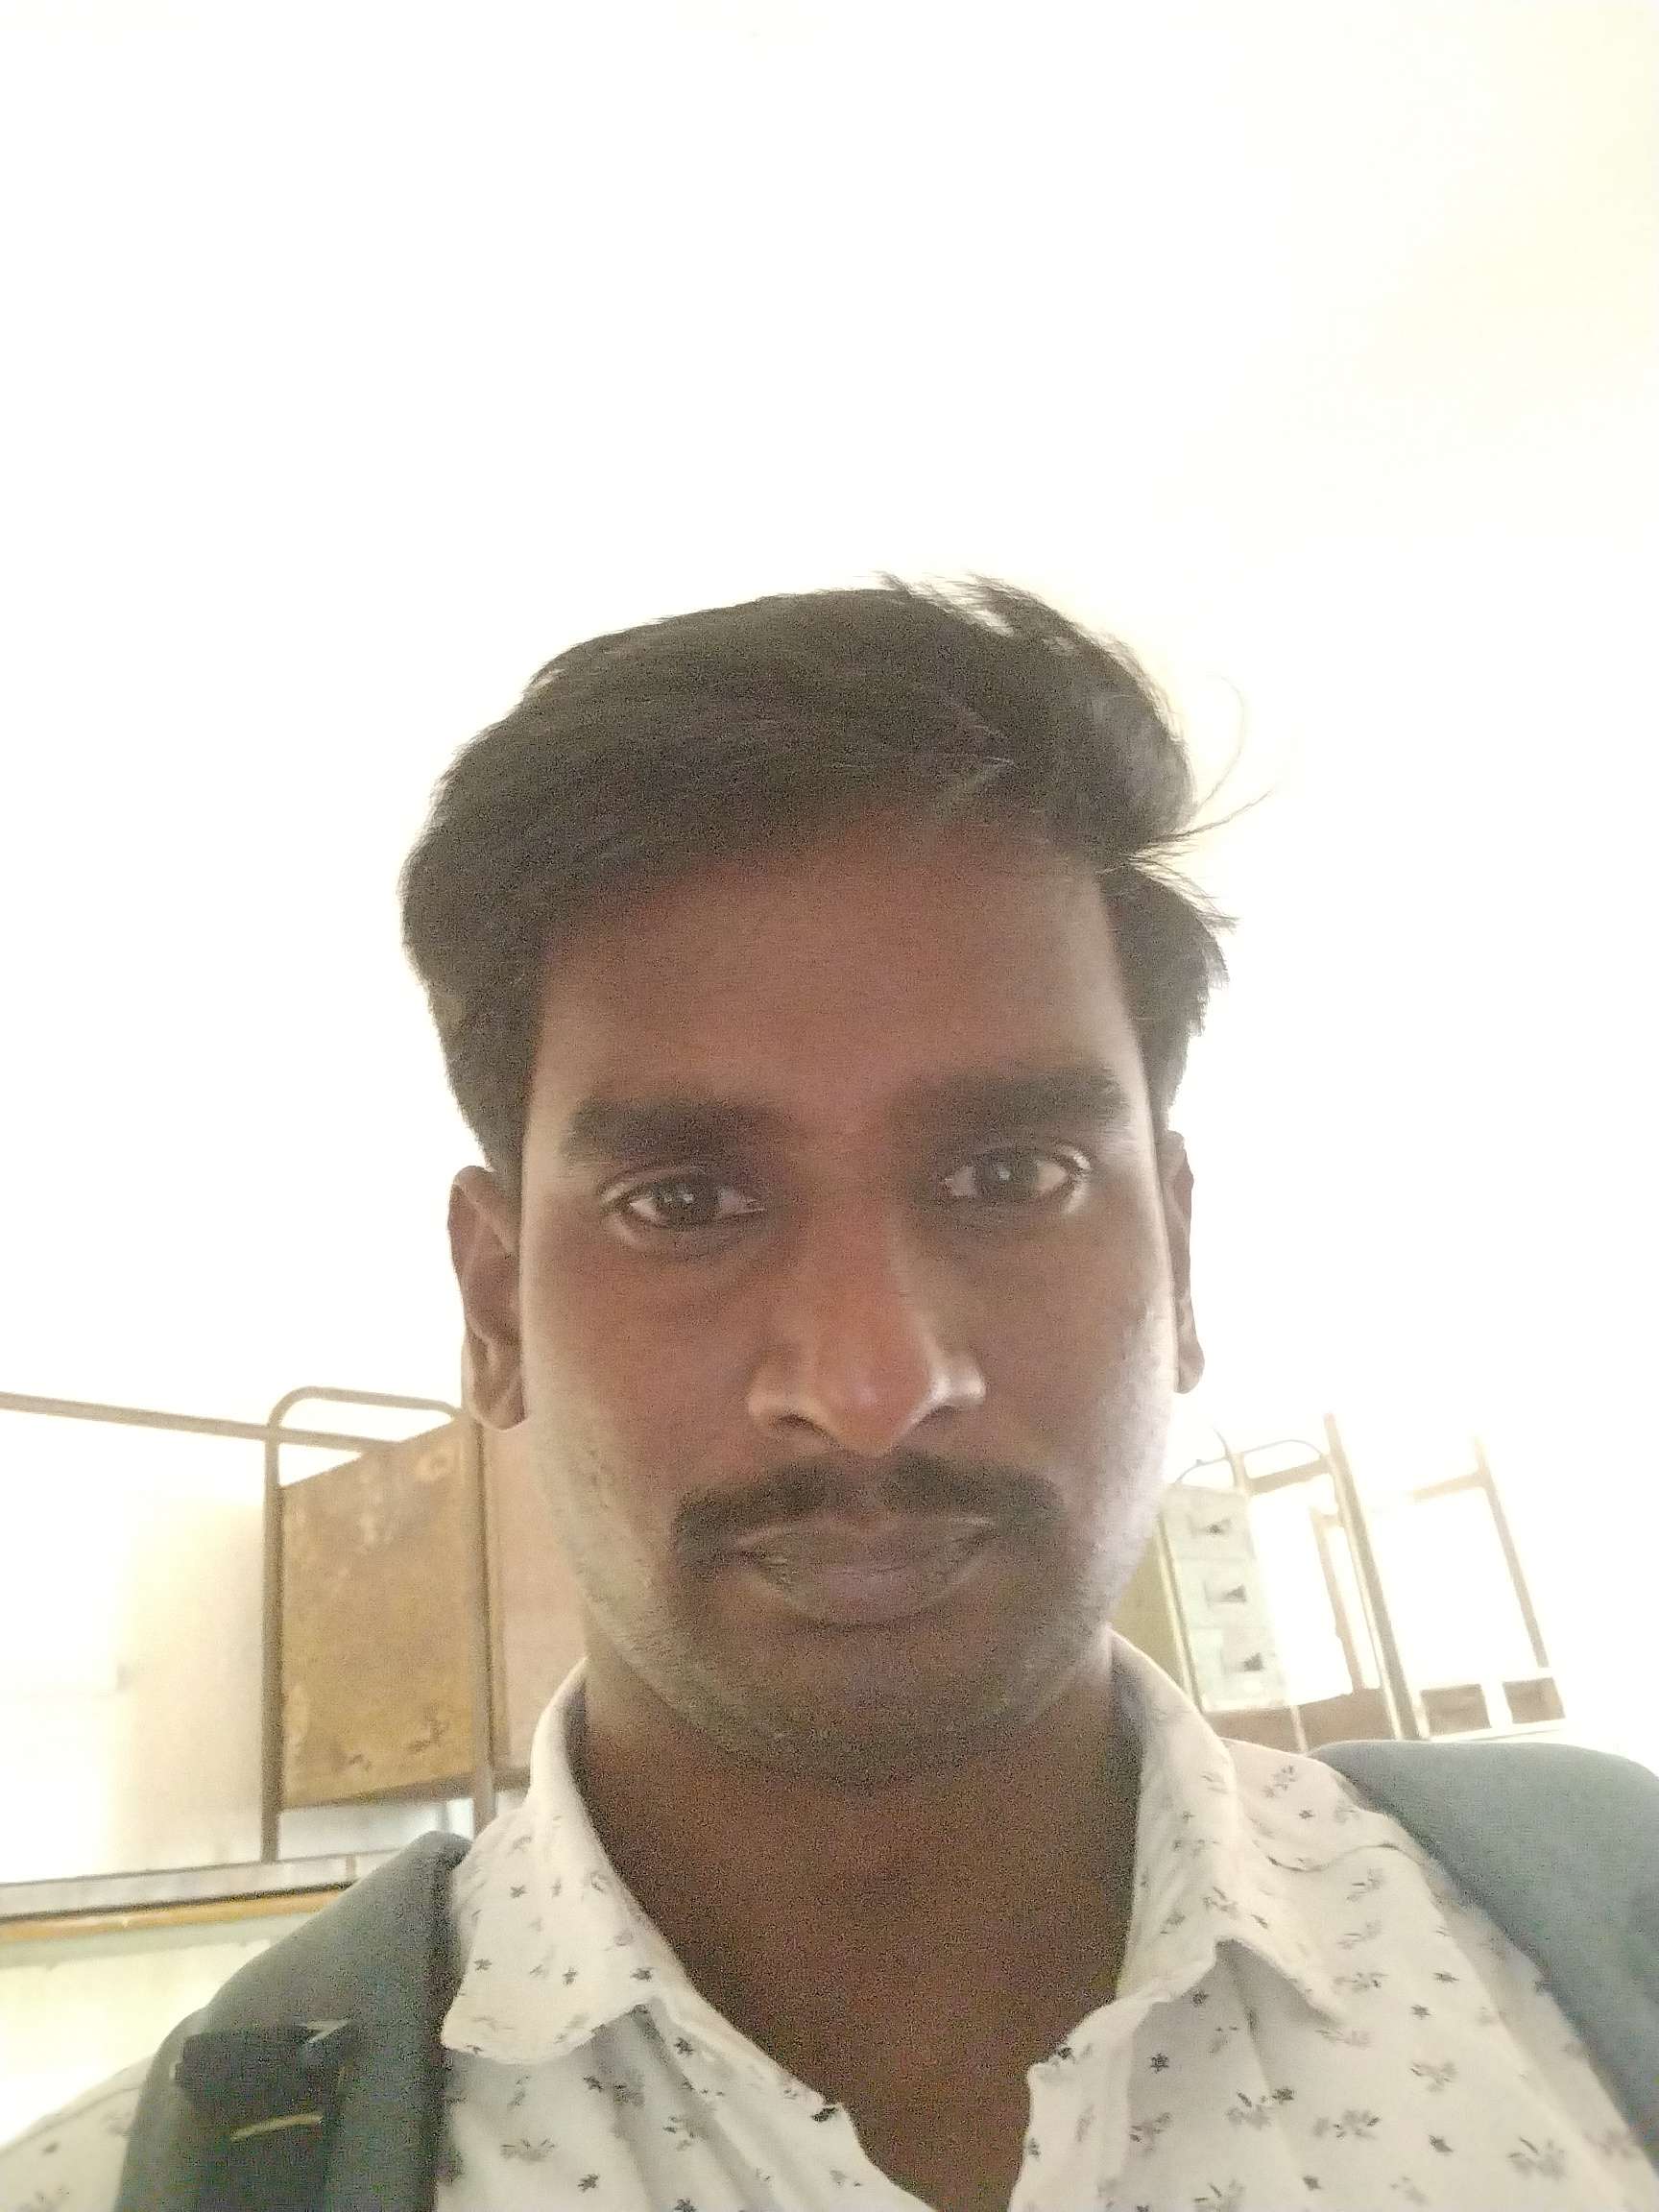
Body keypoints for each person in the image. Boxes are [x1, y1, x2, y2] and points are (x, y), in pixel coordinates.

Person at [5, 579, 1655, 2212]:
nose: (871, 1388)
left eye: (1010, 1174)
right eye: (685, 1202)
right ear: (494, 1306)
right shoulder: (130, 2188)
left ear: (1181, 1253)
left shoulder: (1604, 1962)